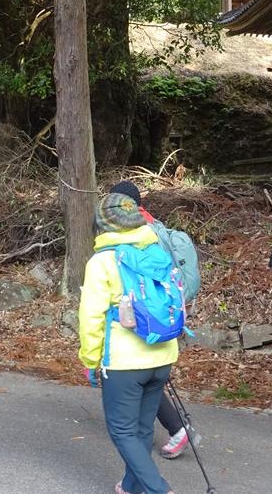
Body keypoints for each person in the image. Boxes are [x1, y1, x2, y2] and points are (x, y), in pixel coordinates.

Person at [79, 192, 179, 494]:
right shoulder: (157, 252)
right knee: (141, 428)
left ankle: (158, 489)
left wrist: (90, 360)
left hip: (124, 361)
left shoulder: (102, 261)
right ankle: (132, 485)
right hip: (162, 355)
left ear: (103, 225)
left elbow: (91, 318)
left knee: (122, 430)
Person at [108, 180, 194, 460]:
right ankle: (175, 426)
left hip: (146, 314)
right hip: (168, 311)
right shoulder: (154, 224)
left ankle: (178, 427)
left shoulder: (138, 231)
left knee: (145, 374)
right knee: (154, 375)